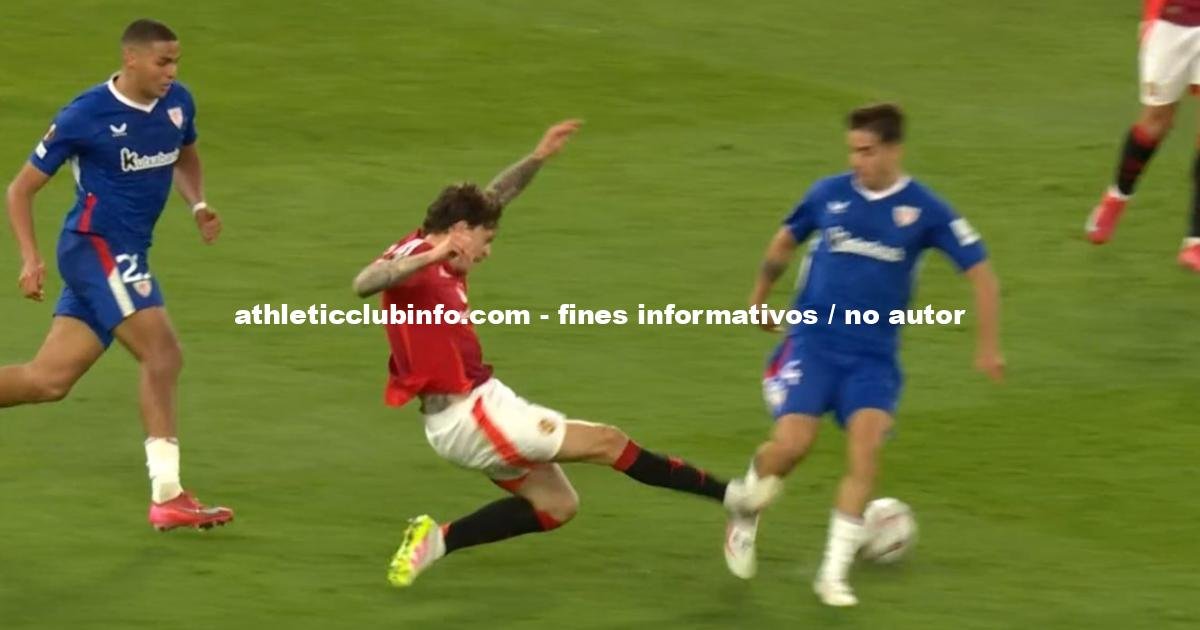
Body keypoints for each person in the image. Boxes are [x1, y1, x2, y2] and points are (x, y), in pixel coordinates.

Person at [351, 120, 772, 588]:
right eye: (486, 242)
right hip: (469, 418)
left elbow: (497, 195)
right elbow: (365, 283)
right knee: (608, 442)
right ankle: (735, 499)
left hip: (480, 403)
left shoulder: (444, 244)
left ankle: (437, 540)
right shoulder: (417, 260)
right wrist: (433, 257)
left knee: (557, 506)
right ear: (459, 231)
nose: (486, 254)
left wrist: (538, 157)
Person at [723, 104, 1004, 607]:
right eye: (853, 150)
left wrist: (987, 347)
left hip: (873, 358)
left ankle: (832, 575)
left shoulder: (925, 210)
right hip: (814, 344)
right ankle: (745, 508)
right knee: (791, 446)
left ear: (894, 150)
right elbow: (786, 239)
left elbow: (981, 274)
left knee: (866, 453)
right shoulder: (827, 194)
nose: (857, 161)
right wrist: (758, 296)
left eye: (868, 151)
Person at [1, 19, 232, 531]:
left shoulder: (178, 104)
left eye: (176, 62)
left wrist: (198, 205)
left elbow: (184, 157)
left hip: (126, 253)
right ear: (131, 59)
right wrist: (29, 258)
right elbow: (20, 189)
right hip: (94, 247)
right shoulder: (86, 115)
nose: (172, 72)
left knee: (48, 380)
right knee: (163, 354)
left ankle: (169, 497)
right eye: (162, 62)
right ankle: (168, 496)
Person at [1086, 0, 1200, 270]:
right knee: (1155, 122)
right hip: (1172, 21)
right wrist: (1150, 17)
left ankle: (1195, 240)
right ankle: (1117, 196)